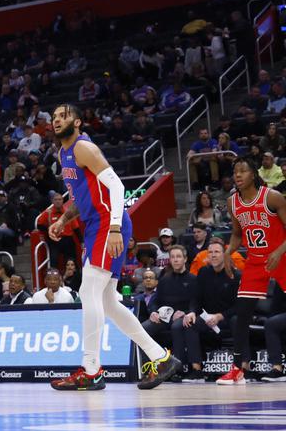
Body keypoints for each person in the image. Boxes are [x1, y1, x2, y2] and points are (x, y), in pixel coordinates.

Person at [47, 103, 182, 391]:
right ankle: (161, 358)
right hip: (96, 224)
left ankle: (91, 369)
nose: (57, 120)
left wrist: (116, 228)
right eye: (54, 117)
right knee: (107, 301)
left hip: (109, 223)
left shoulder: (84, 148)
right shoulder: (63, 153)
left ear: (78, 122)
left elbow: (118, 187)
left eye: (64, 116)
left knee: (87, 291)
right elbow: (81, 196)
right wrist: (63, 220)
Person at [222, 156, 286, 384]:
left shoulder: (272, 197)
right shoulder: (233, 203)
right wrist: (229, 252)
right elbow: (238, 234)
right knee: (242, 315)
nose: (237, 175)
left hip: (282, 257)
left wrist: (279, 252)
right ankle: (238, 368)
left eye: (242, 171)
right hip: (255, 262)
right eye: (235, 171)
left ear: (254, 174)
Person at [177, 240, 240, 383]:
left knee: (238, 321)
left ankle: (240, 368)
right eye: (210, 252)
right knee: (190, 323)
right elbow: (196, 298)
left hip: (227, 318)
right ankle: (197, 370)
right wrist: (192, 312)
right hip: (207, 318)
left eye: (217, 252)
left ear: (225, 255)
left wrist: (220, 316)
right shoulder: (203, 272)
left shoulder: (235, 275)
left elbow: (240, 306)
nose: (213, 255)